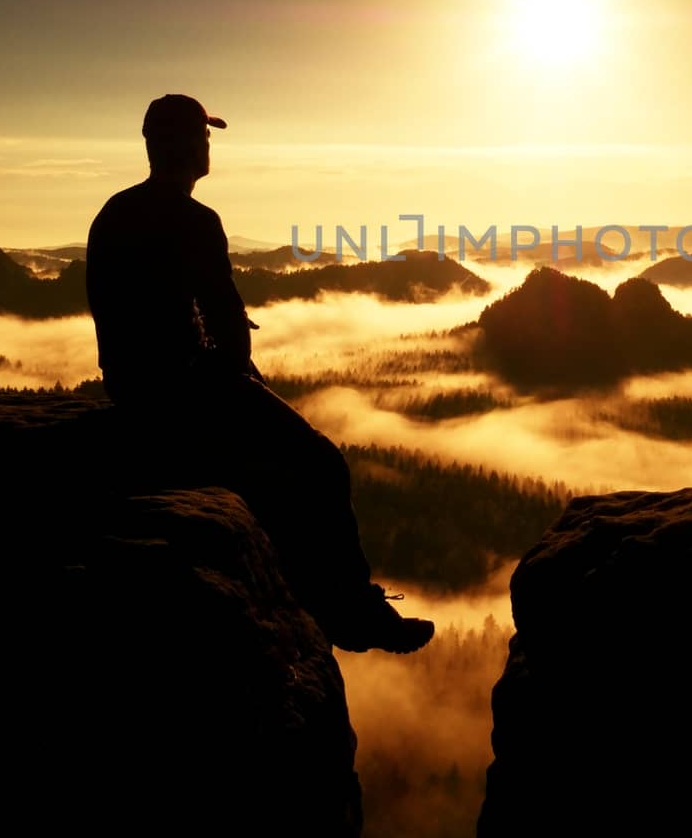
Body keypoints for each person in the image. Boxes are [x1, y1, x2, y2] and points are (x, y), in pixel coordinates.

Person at [86, 93, 434, 654]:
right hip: (186, 388)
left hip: (131, 387)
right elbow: (225, 321)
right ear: (173, 143)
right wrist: (244, 380)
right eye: (201, 135)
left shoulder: (114, 212)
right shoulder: (194, 219)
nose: (207, 145)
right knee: (321, 465)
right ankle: (350, 609)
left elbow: (117, 313)